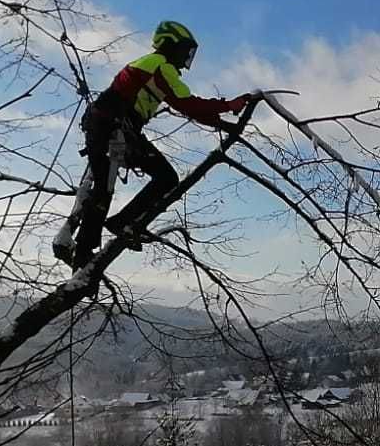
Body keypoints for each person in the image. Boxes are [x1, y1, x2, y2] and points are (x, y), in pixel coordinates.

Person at [54, 20, 254, 268]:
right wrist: (228, 106)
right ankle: (113, 230)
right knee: (165, 178)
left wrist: (223, 124)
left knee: (103, 190)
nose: (186, 58)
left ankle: (88, 251)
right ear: (170, 46)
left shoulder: (153, 65)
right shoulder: (160, 66)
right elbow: (187, 103)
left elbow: (189, 107)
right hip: (114, 126)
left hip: (107, 124)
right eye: (185, 51)